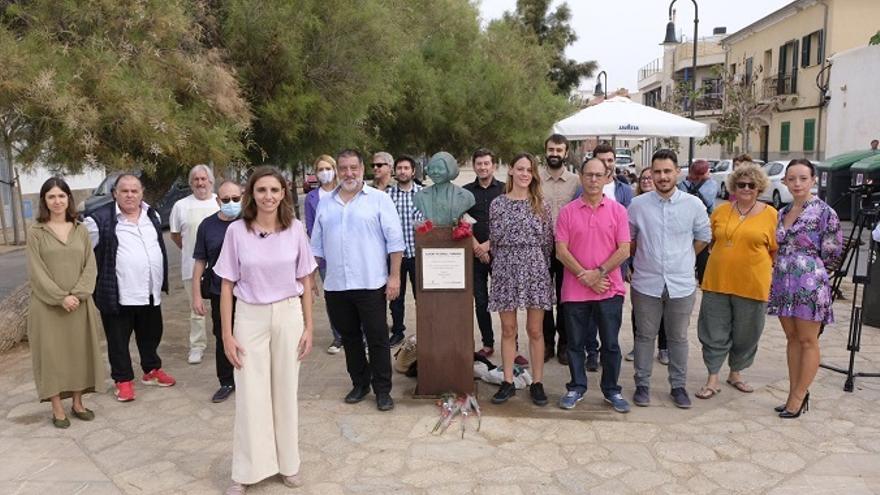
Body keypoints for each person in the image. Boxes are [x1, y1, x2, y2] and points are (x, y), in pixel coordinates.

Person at [213, 167, 316, 494]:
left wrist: (309, 327)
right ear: (251, 195)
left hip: (288, 315)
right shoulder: (236, 232)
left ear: (283, 193)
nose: (268, 196)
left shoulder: (296, 229)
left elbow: (306, 280)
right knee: (250, 395)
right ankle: (245, 471)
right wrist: (227, 334)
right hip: (249, 318)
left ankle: (289, 464)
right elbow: (227, 285)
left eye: (274, 190)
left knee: (285, 391)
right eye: (261, 190)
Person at [311, 149, 404, 412]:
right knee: (350, 338)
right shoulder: (325, 203)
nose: (348, 173)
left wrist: (394, 276)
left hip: (370, 283)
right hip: (337, 285)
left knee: (377, 339)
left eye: (354, 167)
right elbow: (315, 245)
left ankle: (383, 390)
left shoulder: (379, 200)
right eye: (344, 168)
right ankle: (360, 383)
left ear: (362, 169)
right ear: (338, 171)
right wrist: (310, 279)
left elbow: (395, 242)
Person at [629, 150, 711, 409]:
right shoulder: (638, 205)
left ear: (677, 172)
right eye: (657, 172)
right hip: (645, 282)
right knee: (644, 336)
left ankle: (678, 386)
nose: (662, 177)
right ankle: (642, 385)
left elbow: (703, 237)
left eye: (667, 171)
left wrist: (683, 258)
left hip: (681, 283)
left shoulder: (694, 205)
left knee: (678, 338)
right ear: (651, 174)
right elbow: (630, 240)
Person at [85, 174, 176, 402]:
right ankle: (123, 380)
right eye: (124, 191)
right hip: (118, 293)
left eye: (134, 191)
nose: (129, 195)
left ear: (141, 193)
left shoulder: (151, 214)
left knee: (151, 334)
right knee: (118, 340)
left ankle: (151, 370)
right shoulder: (98, 220)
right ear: (115, 193)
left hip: (149, 289)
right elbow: (83, 254)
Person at [26, 177, 105, 428]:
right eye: (51, 197)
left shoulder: (81, 229)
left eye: (61, 196)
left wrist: (78, 295)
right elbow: (36, 272)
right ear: (44, 201)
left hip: (79, 305)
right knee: (52, 356)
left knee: (78, 352)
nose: (57, 201)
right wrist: (61, 297)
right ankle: (57, 407)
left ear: (68, 199)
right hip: (48, 307)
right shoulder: (35, 232)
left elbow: (90, 266)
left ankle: (78, 402)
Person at [695, 163, 778, 400]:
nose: (746, 188)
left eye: (752, 185)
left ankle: (736, 373)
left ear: (759, 187)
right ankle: (712, 377)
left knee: (747, 332)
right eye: (741, 184)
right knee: (713, 331)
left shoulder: (771, 215)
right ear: (733, 186)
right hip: (717, 281)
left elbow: (775, 250)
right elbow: (707, 241)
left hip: (753, 284)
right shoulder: (720, 212)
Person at [555, 158, 631, 413]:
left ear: (607, 176)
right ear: (581, 176)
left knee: (610, 344)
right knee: (575, 343)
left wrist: (598, 273)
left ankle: (611, 390)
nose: (594, 180)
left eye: (599, 175)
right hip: (575, 291)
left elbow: (624, 249)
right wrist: (583, 276)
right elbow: (560, 251)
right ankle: (577, 386)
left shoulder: (618, 211)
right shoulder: (567, 212)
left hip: (609, 289)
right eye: (589, 175)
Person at [768, 159, 842, 418]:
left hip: (810, 284)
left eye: (802, 178)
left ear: (812, 180)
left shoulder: (824, 212)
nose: (797, 183)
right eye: (792, 178)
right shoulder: (781, 211)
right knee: (791, 339)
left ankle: (799, 396)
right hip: (783, 282)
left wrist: (811, 270)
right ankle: (794, 392)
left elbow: (833, 254)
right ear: (785, 181)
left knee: (808, 340)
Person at [488, 152, 555, 406]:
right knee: (508, 329)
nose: (525, 173)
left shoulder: (541, 204)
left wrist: (539, 267)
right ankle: (508, 381)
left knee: (535, 330)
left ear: (533, 174)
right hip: (505, 267)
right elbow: (494, 240)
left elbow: (548, 242)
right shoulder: (498, 204)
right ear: (512, 171)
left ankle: (537, 382)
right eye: (520, 168)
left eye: (529, 169)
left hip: (535, 268)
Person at [580, 144, 634, 371]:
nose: (607, 163)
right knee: (590, 316)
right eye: (602, 160)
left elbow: (627, 232)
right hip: (584, 267)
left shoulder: (624, 190)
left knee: (609, 314)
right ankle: (591, 351)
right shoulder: (583, 190)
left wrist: (625, 265)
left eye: (610, 160)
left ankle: (606, 351)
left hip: (614, 265)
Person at [192, 180, 243, 403]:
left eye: (235, 199)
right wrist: (195, 294)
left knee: (250, 335)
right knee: (224, 335)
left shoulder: (250, 222)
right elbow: (200, 261)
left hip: (249, 291)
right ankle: (226, 381)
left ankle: (249, 379)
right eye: (226, 199)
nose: (231, 203)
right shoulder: (207, 226)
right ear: (217, 200)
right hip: (218, 290)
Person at [170, 164, 219, 365]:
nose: (200, 183)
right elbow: (174, 235)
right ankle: (197, 346)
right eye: (196, 179)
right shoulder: (181, 206)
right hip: (192, 266)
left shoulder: (220, 202)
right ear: (191, 183)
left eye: (204, 179)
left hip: (220, 267)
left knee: (223, 307)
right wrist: (192, 251)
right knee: (196, 309)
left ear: (211, 181)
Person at [540, 134, 579, 366]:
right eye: (551, 149)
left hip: (568, 250)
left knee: (566, 298)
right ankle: (546, 343)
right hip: (541, 248)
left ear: (566, 153)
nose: (555, 154)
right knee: (543, 298)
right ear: (546, 151)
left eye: (559, 150)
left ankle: (565, 343)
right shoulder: (535, 179)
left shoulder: (576, 181)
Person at [624, 168, 669, 365]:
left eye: (650, 178)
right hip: (640, 266)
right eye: (644, 178)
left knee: (665, 310)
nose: (647, 181)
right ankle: (639, 345)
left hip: (665, 269)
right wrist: (628, 265)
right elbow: (628, 239)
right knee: (640, 311)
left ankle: (664, 347)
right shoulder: (635, 206)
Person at [463, 148, 505, 358]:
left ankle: (512, 347)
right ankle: (487, 343)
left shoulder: (506, 190)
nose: (482, 167)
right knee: (481, 301)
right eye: (479, 164)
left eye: (486, 163)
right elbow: (460, 222)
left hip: (502, 254)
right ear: (474, 166)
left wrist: (488, 245)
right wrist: (477, 248)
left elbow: (508, 223)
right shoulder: (465, 193)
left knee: (507, 301)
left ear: (494, 166)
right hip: (474, 254)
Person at [304, 155, 343, 354]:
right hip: (324, 256)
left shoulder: (344, 192)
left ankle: (358, 333)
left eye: (328, 168)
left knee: (353, 293)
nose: (324, 172)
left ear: (335, 169)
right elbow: (310, 227)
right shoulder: (312, 198)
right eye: (320, 169)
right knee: (332, 295)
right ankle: (337, 335)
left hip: (346, 252)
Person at [387, 155, 423, 347]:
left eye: (406, 168)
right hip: (396, 256)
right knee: (396, 296)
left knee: (421, 295)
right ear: (395, 171)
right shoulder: (387, 196)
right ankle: (398, 331)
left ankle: (425, 329)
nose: (402, 171)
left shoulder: (423, 194)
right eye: (399, 168)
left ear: (413, 171)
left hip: (418, 254)